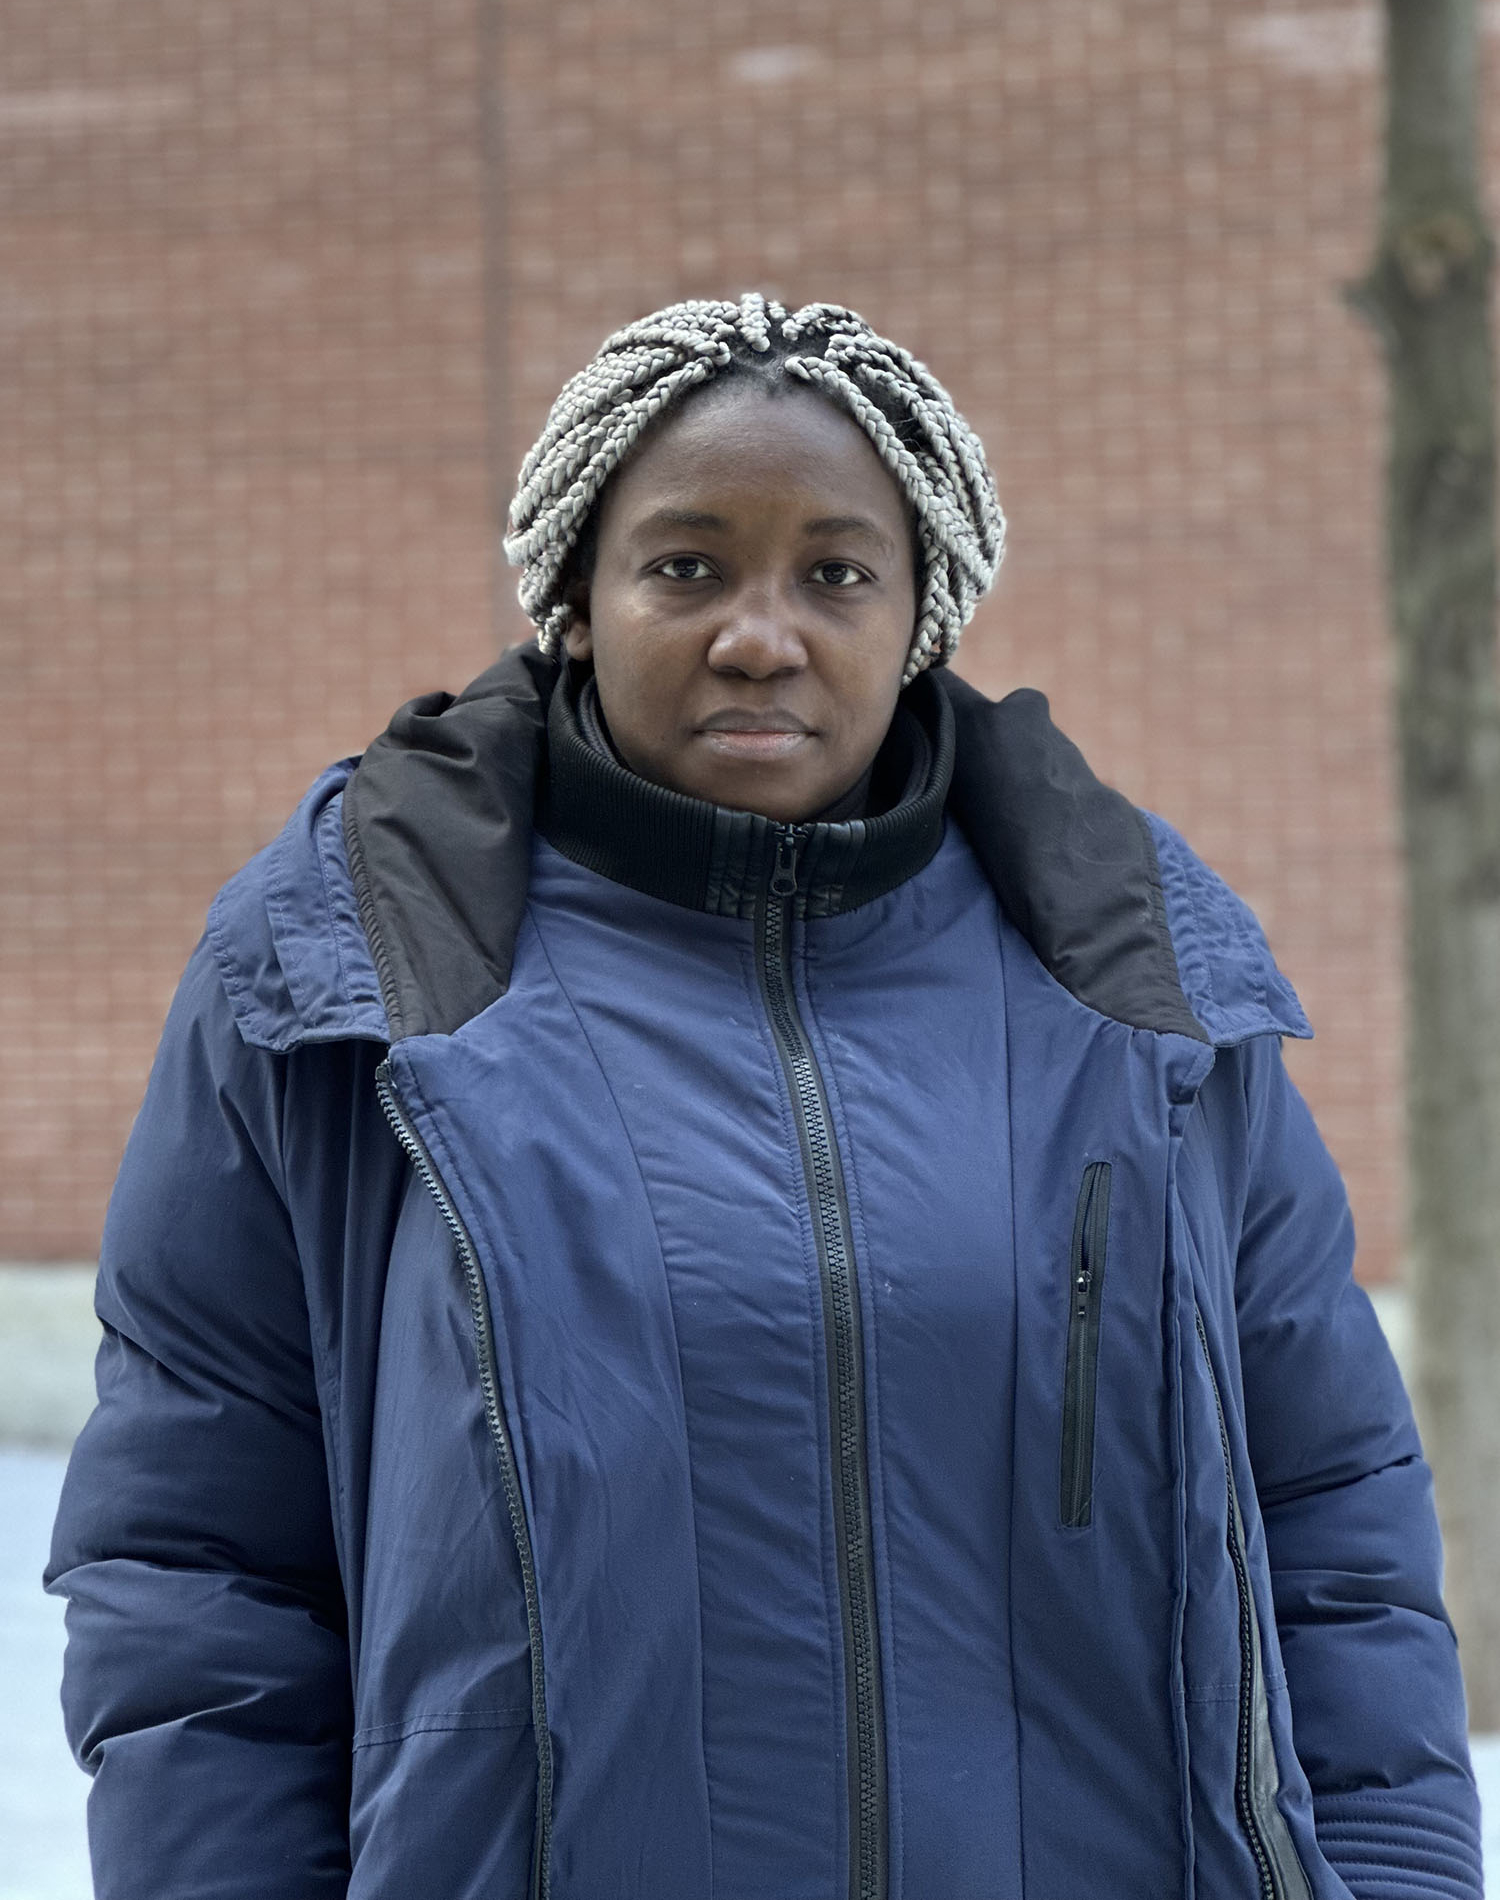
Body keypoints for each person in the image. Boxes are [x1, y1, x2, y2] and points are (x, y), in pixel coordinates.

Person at [48, 294, 1480, 1900]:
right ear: (574, 600)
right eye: (686, 566)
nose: (760, 632)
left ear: (921, 608)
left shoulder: (1136, 987)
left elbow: (1333, 1525)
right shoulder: (349, 975)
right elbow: (201, 1576)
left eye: (836, 572)